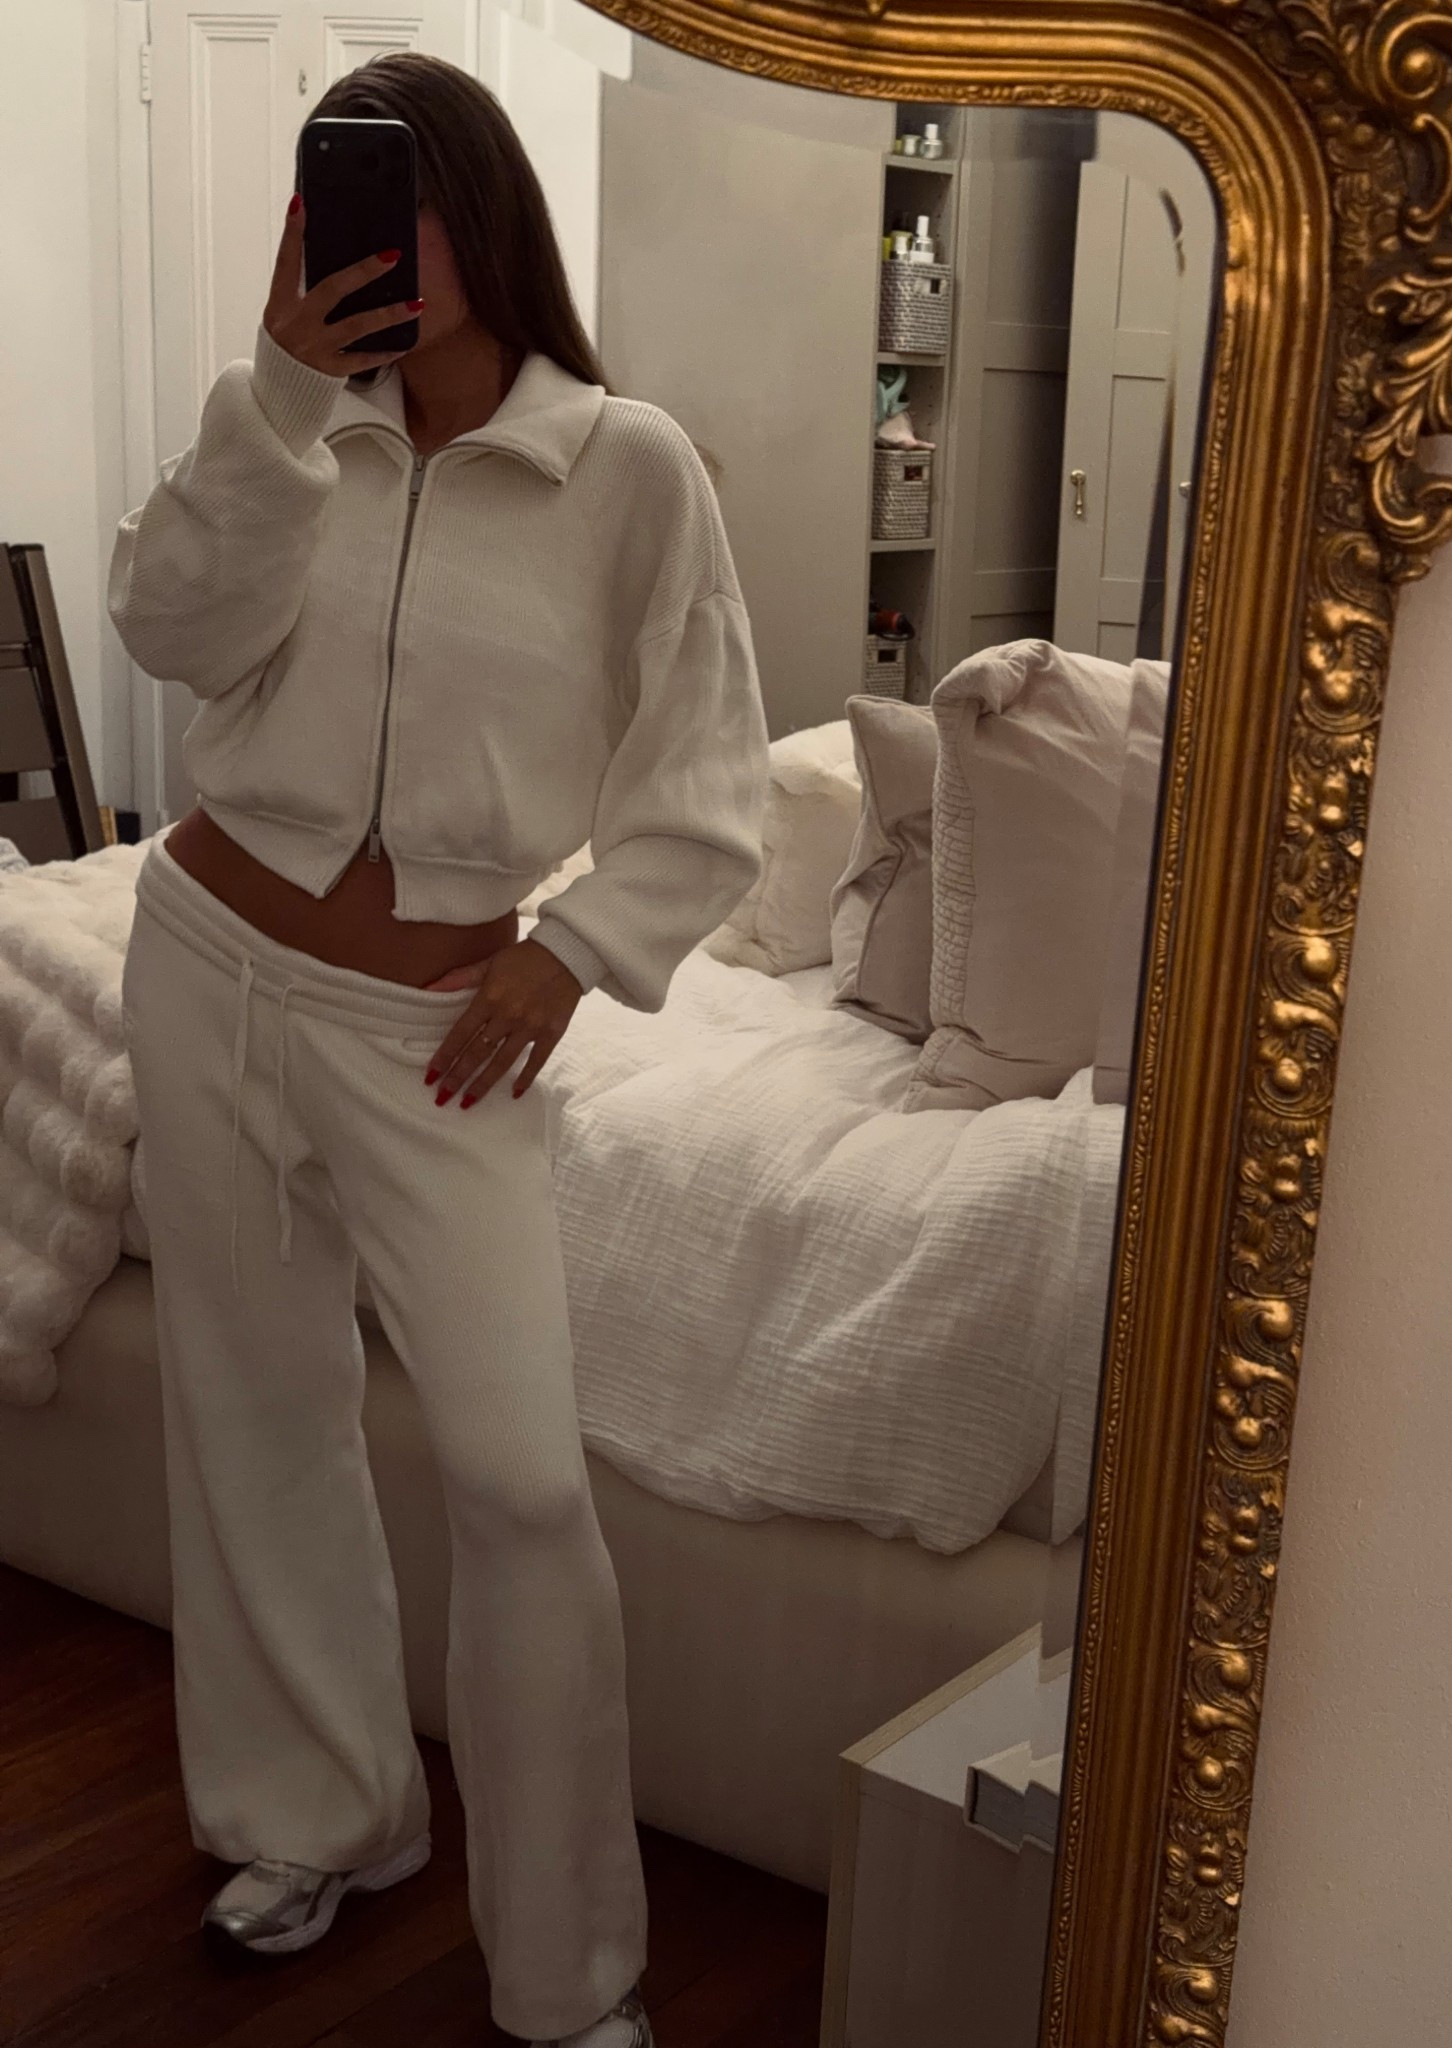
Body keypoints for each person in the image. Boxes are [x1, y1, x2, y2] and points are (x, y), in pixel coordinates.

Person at [107, 50, 768, 2048]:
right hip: (204, 955)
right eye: (344, 200)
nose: (377, 241)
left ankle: (567, 1970)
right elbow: (166, 631)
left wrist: (574, 952)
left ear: (485, 210)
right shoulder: (290, 425)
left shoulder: (627, 468)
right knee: (253, 1414)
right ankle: (319, 1815)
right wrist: (275, 397)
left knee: (518, 1478)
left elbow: (708, 774)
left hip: (436, 1030)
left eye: (406, 198)